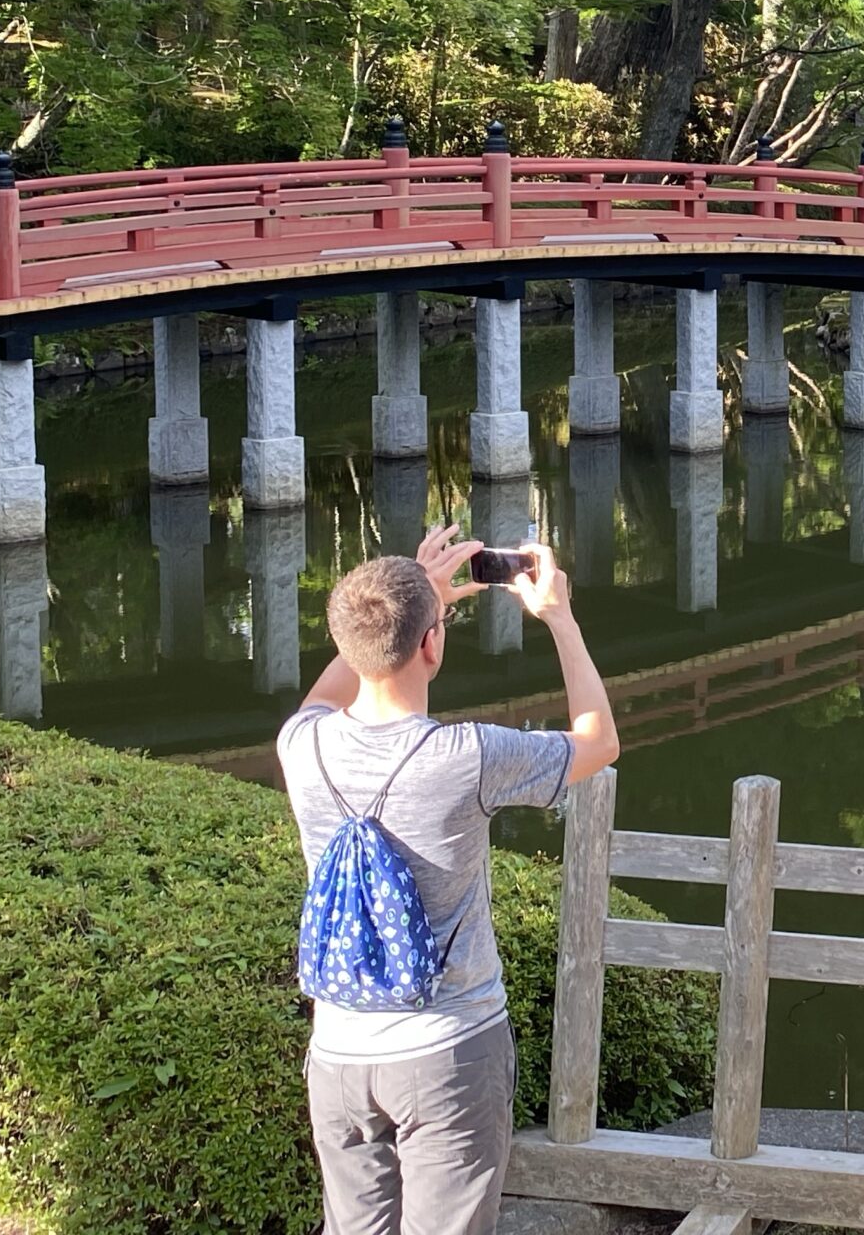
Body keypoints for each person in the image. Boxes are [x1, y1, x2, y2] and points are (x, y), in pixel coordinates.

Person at [277, 525, 620, 1235]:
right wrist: (559, 616)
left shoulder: (300, 745)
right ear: (432, 645)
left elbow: (329, 689)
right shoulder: (467, 756)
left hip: (338, 1054)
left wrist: (418, 596)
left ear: (344, 640)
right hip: (448, 1050)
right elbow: (599, 742)